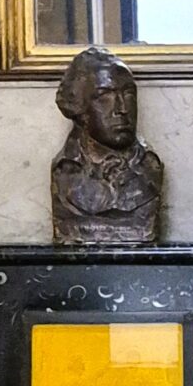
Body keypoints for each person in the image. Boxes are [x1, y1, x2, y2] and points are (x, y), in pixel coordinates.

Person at [50, 47, 164, 247]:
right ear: (79, 108)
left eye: (128, 94)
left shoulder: (149, 166)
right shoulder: (64, 170)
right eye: (104, 97)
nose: (122, 109)